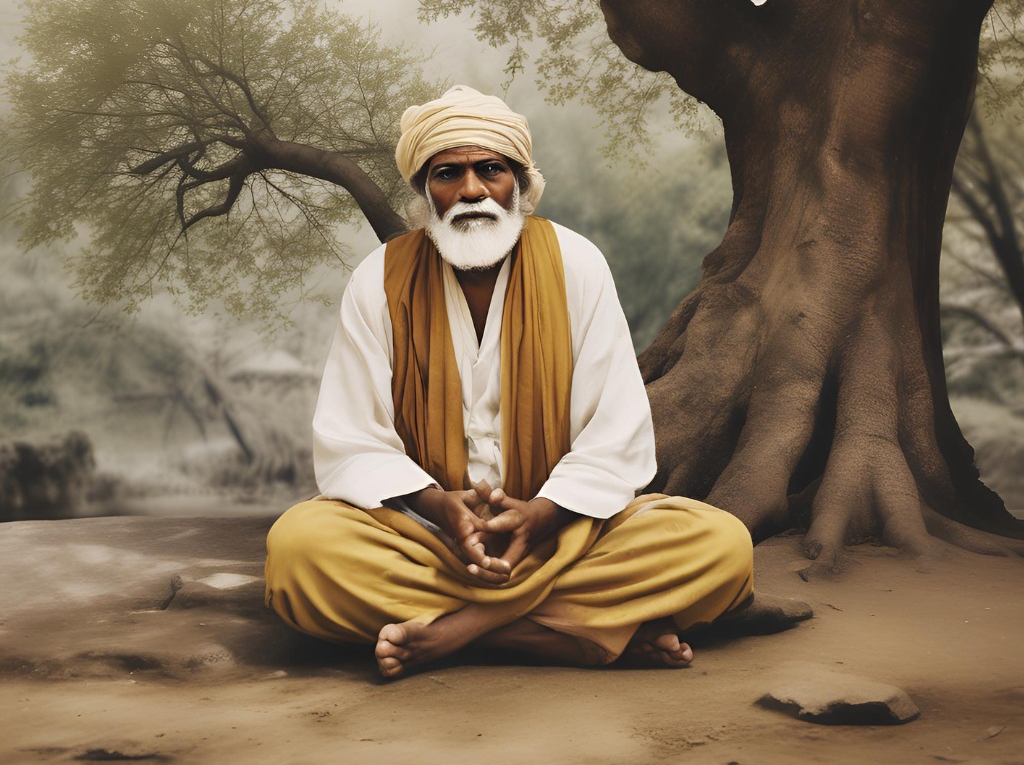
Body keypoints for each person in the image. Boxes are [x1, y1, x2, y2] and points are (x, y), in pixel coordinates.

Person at [265, 85, 755, 679]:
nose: (470, 190)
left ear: (518, 184)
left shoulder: (577, 263)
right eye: (448, 173)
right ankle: (564, 637)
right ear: (425, 191)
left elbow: (617, 432)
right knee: (299, 552)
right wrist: (440, 508)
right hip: (431, 540)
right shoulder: (379, 278)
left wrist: (542, 514)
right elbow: (353, 438)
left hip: (561, 533)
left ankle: (459, 631)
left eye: (490, 170)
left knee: (719, 545)